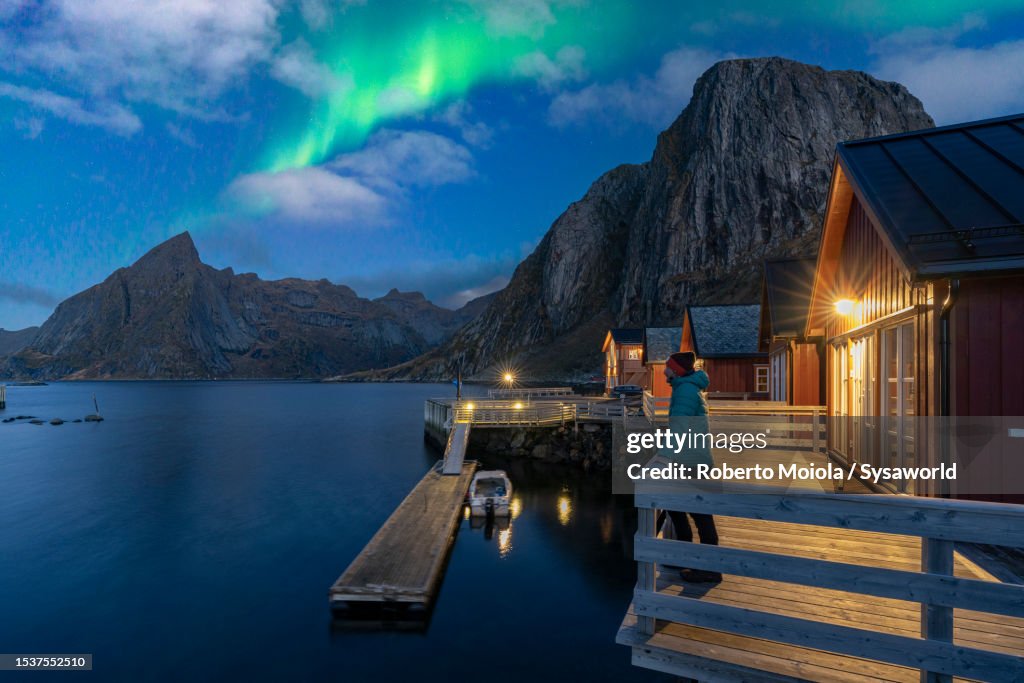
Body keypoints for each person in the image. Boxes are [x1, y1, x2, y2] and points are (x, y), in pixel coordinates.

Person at [658, 350, 721, 583]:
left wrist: (663, 457)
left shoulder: (685, 390)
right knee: (675, 507)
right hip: (688, 459)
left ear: (675, 370)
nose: (664, 369)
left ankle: (710, 568)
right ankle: (686, 558)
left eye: (667, 366)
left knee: (700, 515)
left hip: (692, 463)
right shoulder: (686, 387)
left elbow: (680, 429)